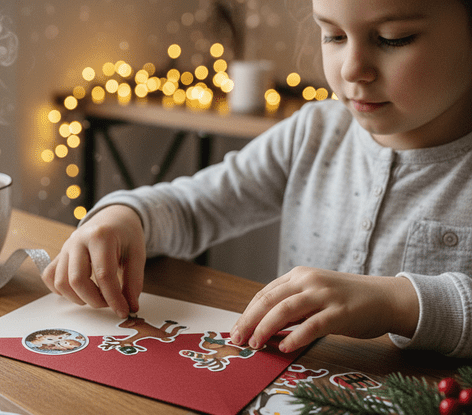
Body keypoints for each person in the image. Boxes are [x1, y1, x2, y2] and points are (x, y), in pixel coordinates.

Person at [42, 0, 472, 358]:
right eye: (334, 36)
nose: (351, 69)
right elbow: (197, 205)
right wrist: (125, 216)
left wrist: (397, 303)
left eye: (393, 38)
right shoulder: (315, 131)